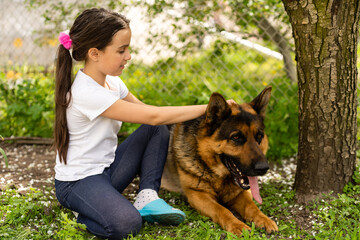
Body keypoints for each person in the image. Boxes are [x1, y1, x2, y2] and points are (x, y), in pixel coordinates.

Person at [54, 8, 234, 240]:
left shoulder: (112, 82)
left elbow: (150, 117)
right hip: (78, 183)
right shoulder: (86, 92)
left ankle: (147, 196)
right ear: (94, 53)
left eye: (127, 49)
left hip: (108, 170)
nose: (128, 56)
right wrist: (208, 109)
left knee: (155, 130)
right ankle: (85, 213)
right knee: (127, 224)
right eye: (121, 50)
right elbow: (154, 115)